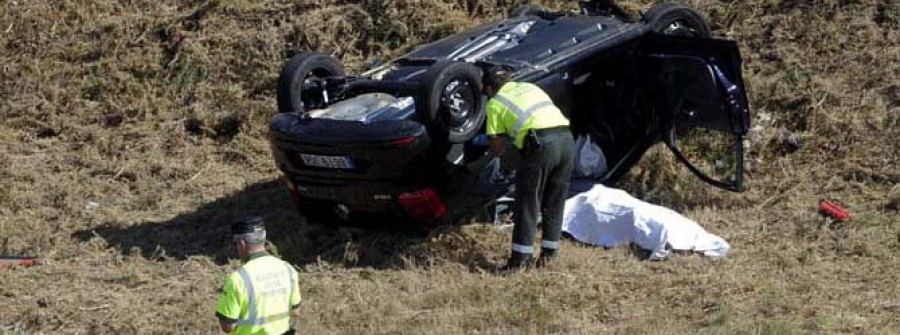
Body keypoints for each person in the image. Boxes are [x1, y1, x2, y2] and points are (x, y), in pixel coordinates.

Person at [482, 66, 574, 272]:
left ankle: (520, 261)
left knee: (527, 202)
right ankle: (550, 255)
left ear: (489, 89)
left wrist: (493, 149)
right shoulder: (530, 87)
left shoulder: (495, 103)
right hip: (566, 140)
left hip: (541, 145)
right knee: (555, 200)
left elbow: (497, 147)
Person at [216, 217, 301, 334]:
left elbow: (227, 326)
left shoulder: (238, 280)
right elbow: (295, 311)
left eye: (236, 243)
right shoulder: (288, 269)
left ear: (242, 243)